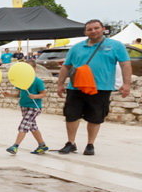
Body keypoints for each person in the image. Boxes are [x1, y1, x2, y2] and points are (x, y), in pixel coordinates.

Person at [55, 19, 132, 156]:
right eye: (89, 29)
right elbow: (66, 66)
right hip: (76, 87)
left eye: (96, 28)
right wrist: (60, 84)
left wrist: (126, 84)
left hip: (101, 87)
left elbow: (125, 64)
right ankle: (71, 143)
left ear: (103, 29)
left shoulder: (116, 46)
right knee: (71, 115)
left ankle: (90, 144)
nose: (93, 31)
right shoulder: (76, 47)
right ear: (85, 32)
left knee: (95, 117)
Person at [7, 66, 48, 155]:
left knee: (24, 124)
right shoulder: (21, 80)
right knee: (33, 126)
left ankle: (15, 146)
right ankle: (42, 145)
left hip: (34, 107)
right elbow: (19, 94)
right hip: (24, 107)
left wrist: (35, 96)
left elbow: (43, 94)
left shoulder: (38, 81)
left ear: (34, 69)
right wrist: (9, 95)